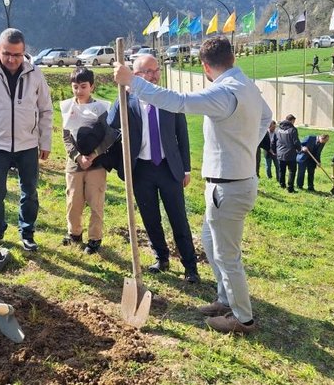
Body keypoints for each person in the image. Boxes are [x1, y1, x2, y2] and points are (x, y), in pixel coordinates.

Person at [114, 36, 273, 334]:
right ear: (232, 58)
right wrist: (247, 145)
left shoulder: (223, 92)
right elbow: (267, 116)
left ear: (204, 66)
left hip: (229, 186)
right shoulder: (246, 85)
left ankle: (243, 318)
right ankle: (225, 300)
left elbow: (179, 102)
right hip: (232, 184)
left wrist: (132, 82)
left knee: (228, 255)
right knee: (212, 244)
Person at [108, 55, 199, 283]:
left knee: (178, 218)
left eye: (156, 70)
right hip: (141, 170)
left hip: (169, 168)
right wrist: (122, 96)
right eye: (147, 72)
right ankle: (161, 258)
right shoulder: (127, 100)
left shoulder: (169, 99)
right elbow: (110, 125)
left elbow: (182, 136)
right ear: (136, 76)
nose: (154, 75)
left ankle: (190, 267)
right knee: (150, 218)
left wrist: (186, 169)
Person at [0, 28, 53, 252]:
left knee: (30, 192)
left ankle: (27, 232)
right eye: (7, 54)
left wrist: (45, 142)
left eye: (17, 54)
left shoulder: (35, 74)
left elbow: (46, 110)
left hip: (28, 144)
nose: (12, 59)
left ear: (24, 52)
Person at [61, 67, 116, 255]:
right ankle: (74, 232)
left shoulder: (101, 108)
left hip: (97, 163)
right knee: (73, 200)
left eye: (83, 86)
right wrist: (77, 156)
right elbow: (66, 137)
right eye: (75, 87)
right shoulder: (67, 107)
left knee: (95, 201)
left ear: (92, 86)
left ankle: (94, 238)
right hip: (74, 164)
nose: (79, 91)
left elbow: (109, 136)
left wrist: (93, 155)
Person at [271, 114, 300, 193]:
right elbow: (296, 142)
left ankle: (282, 184)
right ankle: (290, 188)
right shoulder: (293, 130)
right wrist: (299, 149)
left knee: (281, 170)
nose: (294, 123)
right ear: (291, 121)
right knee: (292, 171)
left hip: (280, 153)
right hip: (291, 154)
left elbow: (273, 142)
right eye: (294, 121)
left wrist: (274, 151)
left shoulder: (277, 129)